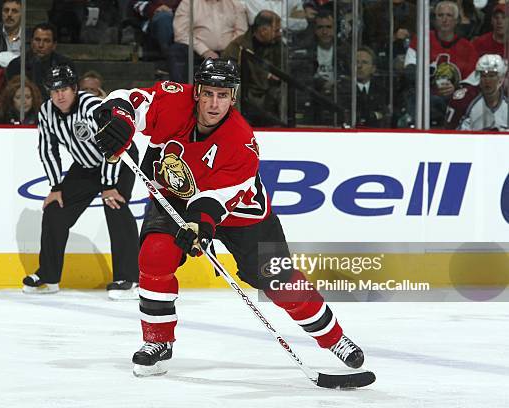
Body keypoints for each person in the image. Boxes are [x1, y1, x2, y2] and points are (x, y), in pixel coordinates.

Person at [94, 58, 365, 376]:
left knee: (278, 280)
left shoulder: (241, 141)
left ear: (233, 97)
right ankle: (158, 342)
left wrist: (200, 226)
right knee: (155, 255)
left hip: (240, 211)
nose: (213, 103)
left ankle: (334, 339)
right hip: (176, 198)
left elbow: (219, 198)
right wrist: (122, 121)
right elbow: (127, 98)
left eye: (222, 95)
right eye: (207, 93)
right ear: (196, 92)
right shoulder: (173, 100)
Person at [23, 65, 140, 300]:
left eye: (64, 88)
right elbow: (47, 148)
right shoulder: (46, 111)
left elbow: (112, 144)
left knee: (115, 206)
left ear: (75, 88)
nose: (59, 95)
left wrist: (108, 185)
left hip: (120, 157)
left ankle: (129, 279)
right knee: (55, 211)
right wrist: (56, 187)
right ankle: (48, 276)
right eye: (54, 90)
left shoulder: (92, 106)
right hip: (86, 165)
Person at [223, 10, 282, 126]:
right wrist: (266, 76)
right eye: (276, 30)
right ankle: (236, 125)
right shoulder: (237, 47)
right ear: (263, 30)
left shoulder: (278, 45)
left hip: (271, 91)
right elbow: (228, 73)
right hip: (247, 92)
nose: (279, 34)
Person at [6, 22, 75, 100]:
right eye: (37, 40)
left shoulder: (65, 65)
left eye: (46, 41)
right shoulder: (16, 65)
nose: (41, 45)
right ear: (31, 42)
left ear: (54, 45)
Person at [445, 54, 509, 130]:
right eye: (483, 75)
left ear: (501, 78)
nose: (487, 80)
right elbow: (450, 133)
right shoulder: (464, 100)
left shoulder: (506, 99)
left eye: (491, 76)